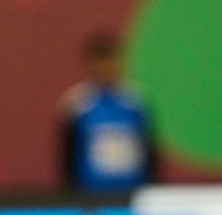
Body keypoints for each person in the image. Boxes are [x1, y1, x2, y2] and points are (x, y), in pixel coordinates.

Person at [59, 32, 155, 195]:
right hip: (89, 196)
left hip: (132, 193)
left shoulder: (137, 102)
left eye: (110, 60)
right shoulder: (75, 104)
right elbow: (67, 157)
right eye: (99, 61)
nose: (105, 67)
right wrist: (70, 194)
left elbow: (149, 154)